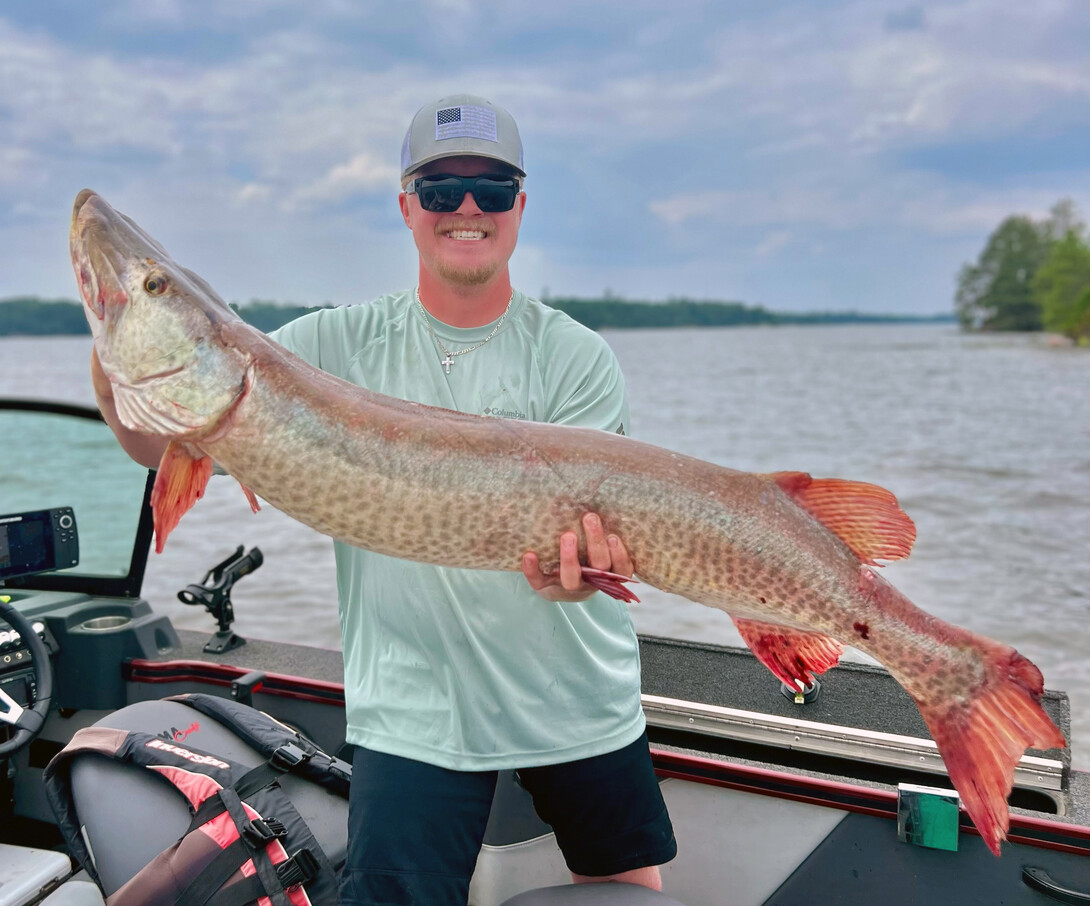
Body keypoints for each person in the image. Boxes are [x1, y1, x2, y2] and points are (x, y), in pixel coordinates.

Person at [92, 93, 676, 905]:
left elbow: (575, 558)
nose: (465, 208)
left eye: (491, 189)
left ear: (519, 206)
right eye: (440, 191)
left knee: (625, 890)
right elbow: (160, 444)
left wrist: (576, 573)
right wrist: (115, 349)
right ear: (408, 206)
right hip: (414, 711)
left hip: (573, 696)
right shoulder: (326, 350)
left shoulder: (575, 357)